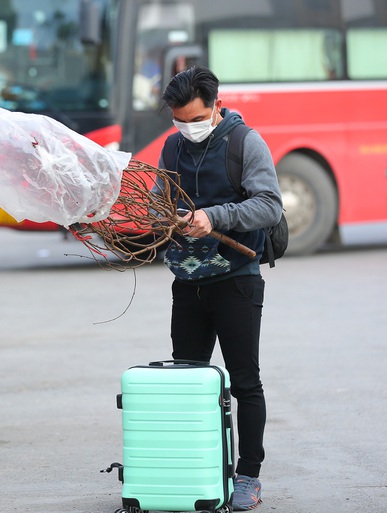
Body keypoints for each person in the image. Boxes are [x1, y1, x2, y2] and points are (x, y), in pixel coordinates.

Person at [154, 66, 283, 511]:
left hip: (237, 281)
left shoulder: (245, 142)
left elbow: (268, 204)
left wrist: (215, 217)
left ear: (215, 106)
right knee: (189, 382)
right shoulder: (170, 147)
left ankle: (248, 475)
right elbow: (157, 204)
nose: (186, 128)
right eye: (178, 120)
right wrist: (156, 223)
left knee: (245, 382)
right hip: (187, 284)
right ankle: (199, 471)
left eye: (194, 119)